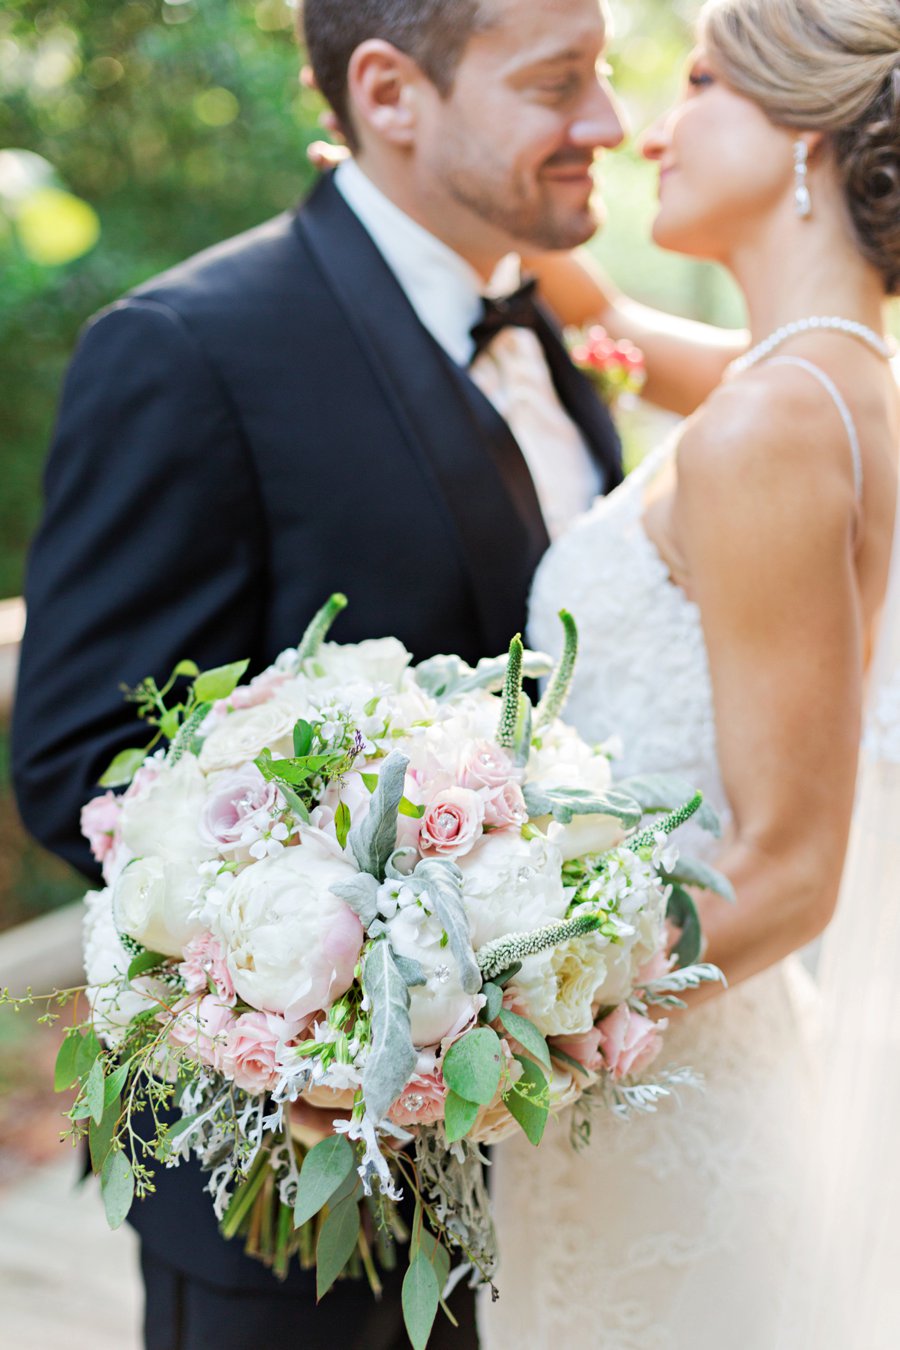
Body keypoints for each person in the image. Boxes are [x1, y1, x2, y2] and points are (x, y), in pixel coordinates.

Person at [10, 0, 637, 1345]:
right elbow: (76, 758)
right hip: (298, 1213)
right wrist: (374, 934)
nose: (609, 124)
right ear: (391, 92)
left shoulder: (548, 328)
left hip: (557, 1178)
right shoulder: (188, 351)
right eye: (557, 84)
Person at [479, 0, 900, 1346]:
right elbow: (609, 323)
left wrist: (497, 1013)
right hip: (714, 1077)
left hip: (660, 1107)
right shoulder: (830, 381)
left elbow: (787, 868)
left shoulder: (775, 421)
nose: (657, 124)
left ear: (811, 138)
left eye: (703, 80)